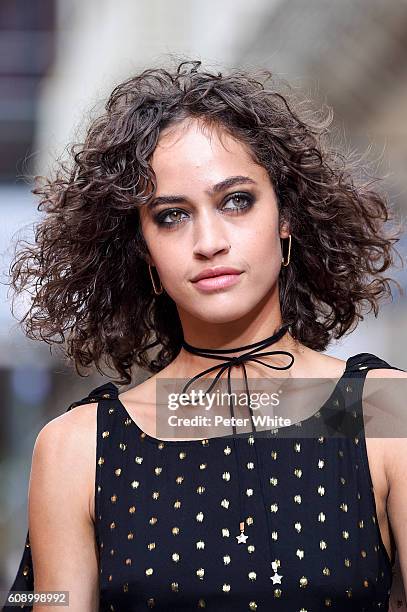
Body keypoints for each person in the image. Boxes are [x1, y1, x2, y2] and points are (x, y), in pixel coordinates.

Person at [4, 59, 407, 611]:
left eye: (236, 200)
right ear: (143, 250)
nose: (209, 241)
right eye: (172, 215)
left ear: (286, 217)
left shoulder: (386, 413)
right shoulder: (75, 449)